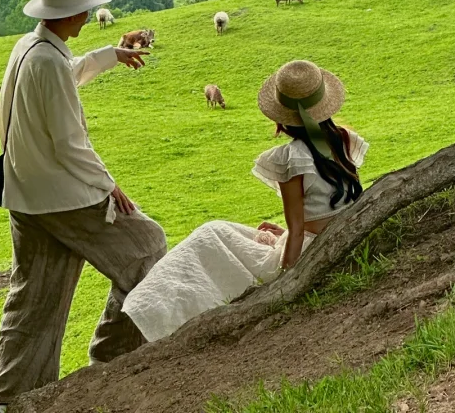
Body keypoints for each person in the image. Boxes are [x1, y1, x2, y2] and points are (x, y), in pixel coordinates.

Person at [0, 0, 167, 412]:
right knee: (146, 246)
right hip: (64, 196)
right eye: (83, 10)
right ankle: (113, 356)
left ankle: (9, 401)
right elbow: (69, 142)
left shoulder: (30, 47)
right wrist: (109, 186)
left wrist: (109, 56)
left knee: (34, 299)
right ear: (69, 15)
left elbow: (64, 74)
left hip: (26, 194)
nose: (87, 16)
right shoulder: (46, 60)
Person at [121, 59, 367, 343]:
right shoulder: (344, 139)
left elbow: (298, 231)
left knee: (208, 237)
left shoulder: (291, 160)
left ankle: (154, 315)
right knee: (227, 233)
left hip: (303, 255)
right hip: (333, 239)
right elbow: (330, 211)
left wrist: (285, 283)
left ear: (281, 119)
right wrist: (281, 235)